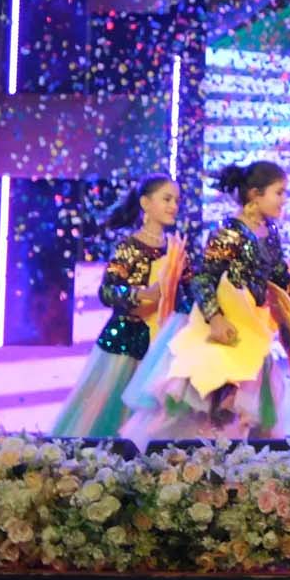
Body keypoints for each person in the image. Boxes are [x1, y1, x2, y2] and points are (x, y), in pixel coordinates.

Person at [124, 161, 290, 444]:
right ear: (255, 195)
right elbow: (202, 279)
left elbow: (281, 276)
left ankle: (241, 463)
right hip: (222, 333)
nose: (284, 200)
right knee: (209, 410)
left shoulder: (269, 231)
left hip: (250, 334)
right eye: (279, 192)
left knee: (249, 414)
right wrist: (217, 318)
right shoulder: (228, 233)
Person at [53, 176, 181, 440]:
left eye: (176, 201)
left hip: (161, 342)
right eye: (167, 199)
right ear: (145, 203)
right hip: (126, 342)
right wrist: (143, 294)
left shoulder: (174, 248)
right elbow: (108, 291)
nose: (173, 206)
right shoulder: (129, 246)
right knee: (109, 412)